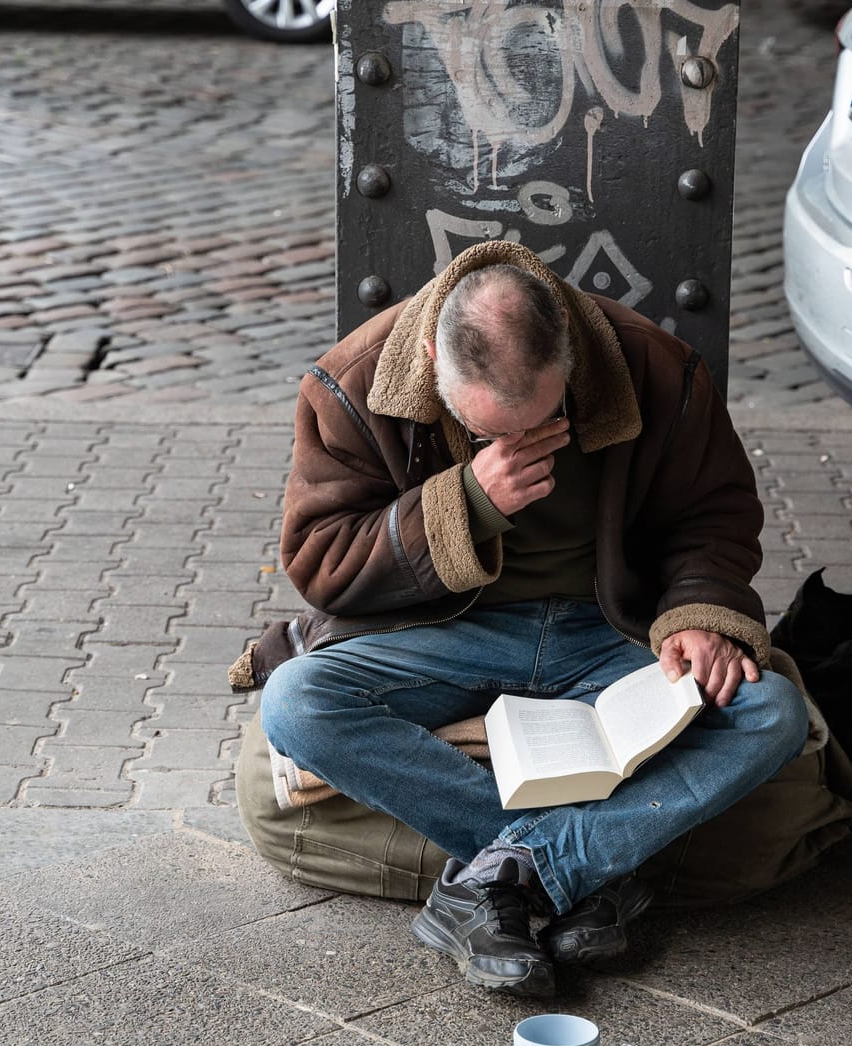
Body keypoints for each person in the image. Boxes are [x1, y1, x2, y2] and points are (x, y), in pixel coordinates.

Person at [258, 241, 806, 997]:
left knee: (772, 710)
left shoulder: (655, 366)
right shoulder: (352, 383)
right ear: (428, 358)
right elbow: (320, 560)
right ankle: (588, 870)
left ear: (572, 363)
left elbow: (713, 517)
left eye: (541, 420)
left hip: (609, 631)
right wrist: (468, 501)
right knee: (295, 703)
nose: (514, 444)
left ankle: (496, 881)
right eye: (483, 429)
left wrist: (699, 612)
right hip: (445, 634)